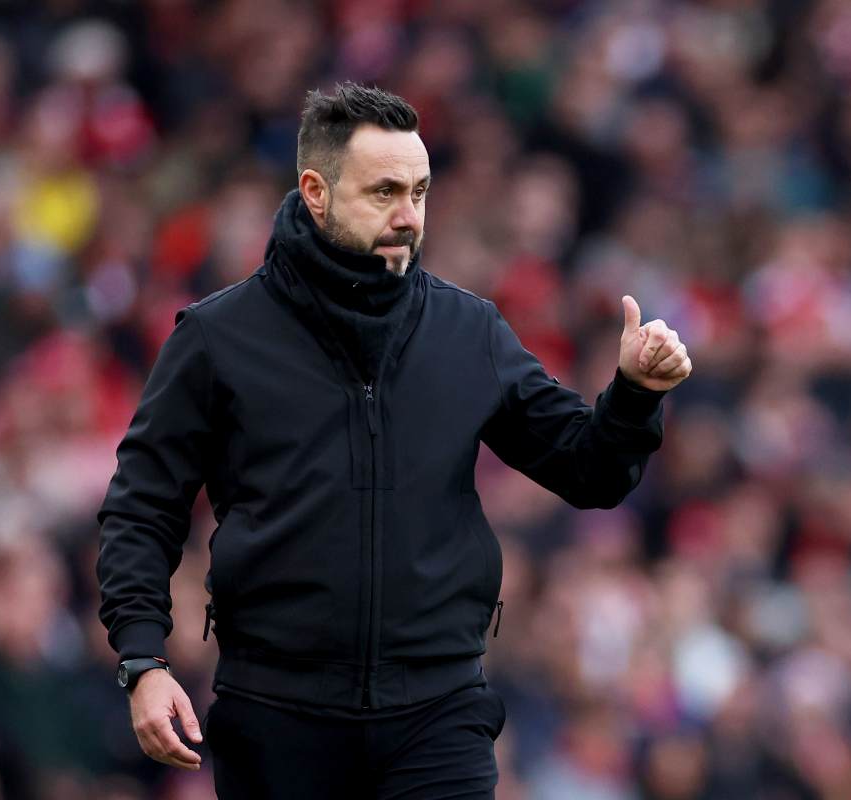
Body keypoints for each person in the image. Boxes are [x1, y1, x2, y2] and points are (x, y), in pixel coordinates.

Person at [95, 83, 691, 799]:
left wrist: (634, 393)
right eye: (384, 192)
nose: (409, 216)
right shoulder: (217, 338)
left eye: (420, 192)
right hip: (277, 716)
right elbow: (141, 509)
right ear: (316, 192)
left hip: (439, 713)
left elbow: (590, 471)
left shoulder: (468, 331)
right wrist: (143, 660)